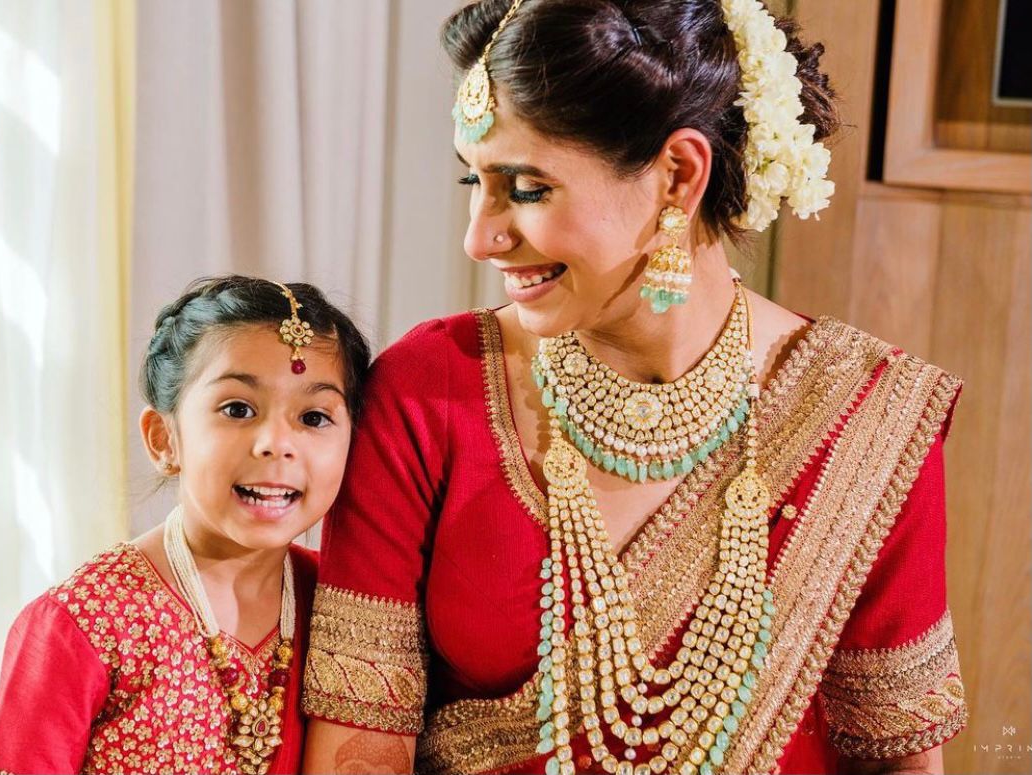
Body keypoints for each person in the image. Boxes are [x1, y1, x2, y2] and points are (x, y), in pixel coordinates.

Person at [301, 1, 966, 774]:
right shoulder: (429, 391)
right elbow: (358, 747)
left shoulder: (864, 416)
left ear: (678, 175)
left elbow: (896, 760)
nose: (478, 236)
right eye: (472, 180)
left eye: (525, 187)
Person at [0, 276, 371, 775]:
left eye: (314, 417)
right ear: (164, 438)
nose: (277, 443)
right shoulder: (80, 626)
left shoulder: (349, 611)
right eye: (237, 409)